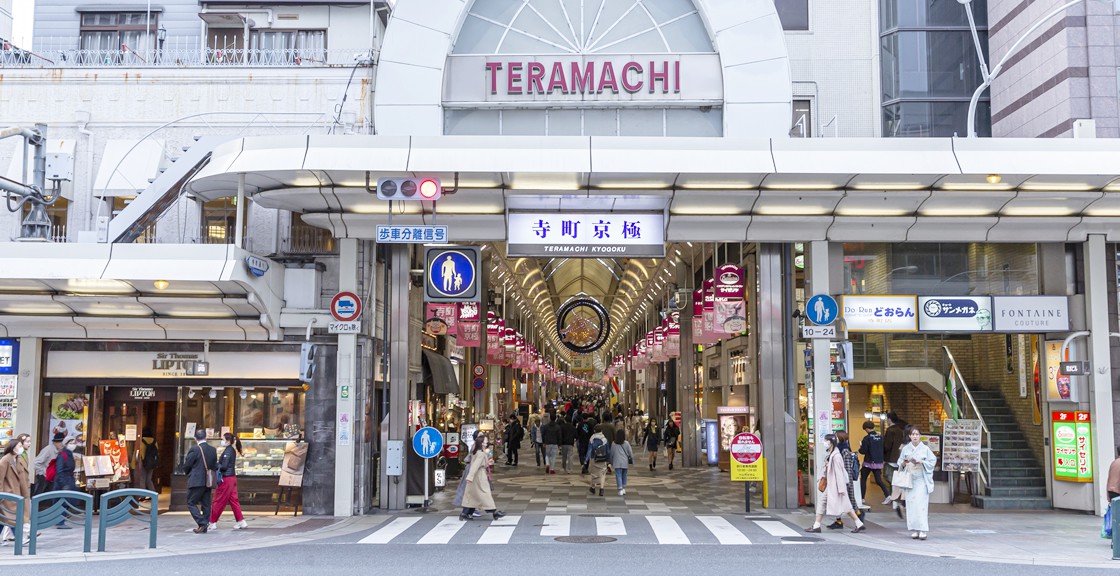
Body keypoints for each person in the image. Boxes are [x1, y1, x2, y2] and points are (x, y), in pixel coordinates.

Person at [805, 433, 866, 533]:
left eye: (825, 441)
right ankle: (859, 523)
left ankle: (817, 526)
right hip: (833, 486)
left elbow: (839, 473)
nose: (824, 442)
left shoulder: (836, 456)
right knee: (844, 506)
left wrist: (841, 489)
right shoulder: (832, 453)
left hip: (836, 487)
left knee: (839, 505)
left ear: (830, 442)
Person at [897, 427, 937, 540]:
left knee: (921, 505)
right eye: (913, 434)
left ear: (920, 436)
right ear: (909, 436)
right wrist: (904, 463)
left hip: (921, 480)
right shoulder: (906, 449)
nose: (915, 436)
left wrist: (922, 462)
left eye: (917, 434)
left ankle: (923, 529)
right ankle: (914, 529)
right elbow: (900, 461)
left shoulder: (925, 449)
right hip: (910, 479)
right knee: (911, 505)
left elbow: (932, 461)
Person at [459, 433, 504, 521]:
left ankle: (465, 513)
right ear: (482, 443)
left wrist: (487, 463)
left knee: (472, 495)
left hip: (477, 476)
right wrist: (470, 477)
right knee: (485, 493)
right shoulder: (481, 454)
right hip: (479, 476)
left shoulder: (478, 452)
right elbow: (475, 465)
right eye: (485, 441)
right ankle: (494, 512)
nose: (487, 442)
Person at [208, 433, 247, 531]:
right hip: (232, 478)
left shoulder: (228, 451)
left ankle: (212, 522)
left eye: (223, 439)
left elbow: (224, 466)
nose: (222, 441)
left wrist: (215, 465)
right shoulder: (232, 450)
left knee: (218, 500)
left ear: (228, 441)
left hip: (225, 479)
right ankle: (241, 521)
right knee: (234, 500)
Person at [184, 429, 218, 534]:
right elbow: (214, 466)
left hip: (196, 480)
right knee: (206, 504)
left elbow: (187, 465)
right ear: (206, 437)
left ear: (195, 438)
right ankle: (205, 525)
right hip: (208, 480)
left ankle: (202, 522)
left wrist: (189, 473)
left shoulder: (194, 449)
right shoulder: (212, 450)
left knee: (191, 502)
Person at [827, 430, 863, 529]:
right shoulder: (837, 449)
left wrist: (845, 482)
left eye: (835, 437)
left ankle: (859, 517)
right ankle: (840, 521)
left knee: (848, 500)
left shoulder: (844, 450)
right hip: (837, 479)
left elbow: (847, 469)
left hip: (843, 480)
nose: (834, 439)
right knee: (841, 501)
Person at [0, 438, 31, 545]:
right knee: (12, 517)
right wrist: (1, 494)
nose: (21, 448)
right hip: (7, 494)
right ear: (13, 448)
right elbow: (0, 478)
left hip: (15, 493)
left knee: (5, 518)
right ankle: (20, 538)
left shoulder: (17, 459)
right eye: (19, 446)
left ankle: (19, 538)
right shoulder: (5, 460)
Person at [858, 421, 891, 505]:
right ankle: (887, 495)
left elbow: (863, 451)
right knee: (879, 480)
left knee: (863, 479)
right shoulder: (880, 437)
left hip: (868, 462)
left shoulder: (867, 438)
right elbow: (885, 449)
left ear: (866, 429)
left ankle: (862, 498)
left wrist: (861, 446)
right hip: (878, 462)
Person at [52, 437, 79, 529]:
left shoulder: (69, 454)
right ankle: (60, 521)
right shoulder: (62, 454)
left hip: (68, 480)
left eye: (74, 442)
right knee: (63, 501)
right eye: (71, 443)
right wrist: (64, 483)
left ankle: (61, 520)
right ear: (66, 444)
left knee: (67, 501)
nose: (73, 445)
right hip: (63, 481)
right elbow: (59, 469)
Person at [32, 432, 64, 496]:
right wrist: (44, 472)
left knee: (50, 495)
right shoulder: (48, 449)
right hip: (44, 476)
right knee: (40, 494)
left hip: (53, 476)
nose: (62, 444)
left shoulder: (60, 450)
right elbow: (36, 462)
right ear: (55, 442)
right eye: (60, 442)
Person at [882, 412, 907, 489]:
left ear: (889, 419)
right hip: (899, 457)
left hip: (890, 458)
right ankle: (896, 496)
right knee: (897, 478)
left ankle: (893, 496)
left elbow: (887, 445)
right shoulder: (901, 429)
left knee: (889, 476)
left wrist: (882, 453)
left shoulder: (890, 430)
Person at [585, 425, 610, 497]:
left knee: (593, 473)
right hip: (603, 458)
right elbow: (608, 450)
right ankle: (601, 488)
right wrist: (608, 460)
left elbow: (589, 450)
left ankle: (593, 487)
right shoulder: (604, 439)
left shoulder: (592, 439)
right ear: (601, 431)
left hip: (593, 458)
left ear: (594, 431)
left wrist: (586, 460)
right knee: (602, 473)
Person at [134, 428, 158, 493]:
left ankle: (142, 495)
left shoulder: (141, 441)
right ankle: (153, 493)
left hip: (143, 462)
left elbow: (140, 452)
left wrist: (134, 463)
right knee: (149, 479)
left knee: (142, 479)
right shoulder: (154, 441)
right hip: (152, 462)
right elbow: (156, 452)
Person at [611, 430, 634, 497]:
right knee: (624, 474)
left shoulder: (613, 443)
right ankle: (623, 488)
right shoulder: (626, 443)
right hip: (625, 461)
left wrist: (610, 461)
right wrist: (632, 460)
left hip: (617, 461)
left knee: (618, 475)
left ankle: (620, 488)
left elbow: (611, 453)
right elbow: (630, 452)